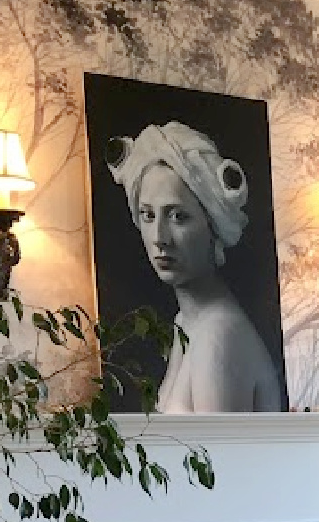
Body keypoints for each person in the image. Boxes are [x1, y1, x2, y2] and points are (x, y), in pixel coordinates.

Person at [107, 122, 282, 413]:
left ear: (213, 225)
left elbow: (219, 457)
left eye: (178, 216)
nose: (160, 238)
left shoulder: (218, 334)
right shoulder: (187, 322)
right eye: (148, 215)